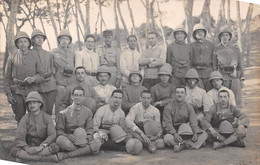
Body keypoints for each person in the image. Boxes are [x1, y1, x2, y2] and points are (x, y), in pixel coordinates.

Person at [4, 31, 44, 124]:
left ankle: (33, 137)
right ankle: (21, 136)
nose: (22, 44)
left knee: (34, 115)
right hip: (17, 90)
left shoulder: (35, 56)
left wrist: (33, 79)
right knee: (19, 116)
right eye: (20, 42)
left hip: (32, 90)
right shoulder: (12, 57)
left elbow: (41, 75)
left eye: (25, 41)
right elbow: (7, 78)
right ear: (17, 44)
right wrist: (8, 94)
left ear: (29, 43)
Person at [10, 91, 60, 162]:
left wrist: (41, 147)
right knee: (13, 150)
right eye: (29, 103)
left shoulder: (47, 117)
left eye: (34, 102)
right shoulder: (25, 118)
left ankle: (26, 157)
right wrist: (27, 148)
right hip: (29, 145)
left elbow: (52, 135)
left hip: (44, 145)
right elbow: (19, 137)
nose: (32, 105)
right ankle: (48, 158)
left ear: (40, 103)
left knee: (55, 147)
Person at [56, 86, 102, 161]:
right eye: (76, 95)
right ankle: (87, 150)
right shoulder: (63, 113)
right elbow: (59, 131)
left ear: (84, 97)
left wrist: (89, 135)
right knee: (59, 140)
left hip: (83, 139)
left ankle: (67, 155)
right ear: (72, 97)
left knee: (98, 142)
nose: (78, 97)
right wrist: (67, 135)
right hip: (70, 140)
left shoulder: (88, 112)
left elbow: (89, 128)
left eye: (80, 95)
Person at [163, 87, 208, 152]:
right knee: (167, 138)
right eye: (177, 92)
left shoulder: (189, 107)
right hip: (175, 131)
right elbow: (168, 124)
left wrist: (195, 133)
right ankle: (193, 144)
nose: (179, 94)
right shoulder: (168, 107)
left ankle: (182, 146)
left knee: (204, 134)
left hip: (188, 132)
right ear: (174, 94)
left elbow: (193, 122)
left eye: (182, 92)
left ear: (185, 95)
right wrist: (174, 134)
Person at [215, 26, 244, 109]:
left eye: (227, 35)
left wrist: (242, 78)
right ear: (220, 37)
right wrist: (217, 79)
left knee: (237, 99)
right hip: (223, 77)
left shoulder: (235, 49)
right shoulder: (216, 49)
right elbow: (214, 66)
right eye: (222, 35)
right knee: (224, 98)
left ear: (230, 37)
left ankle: (237, 118)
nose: (225, 37)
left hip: (235, 77)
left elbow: (240, 65)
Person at [31, 29, 57, 116]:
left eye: (42, 38)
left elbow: (52, 69)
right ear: (33, 40)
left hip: (50, 86)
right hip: (36, 86)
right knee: (39, 110)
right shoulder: (29, 53)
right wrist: (36, 78)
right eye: (37, 37)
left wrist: (45, 75)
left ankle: (47, 129)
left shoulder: (49, 54)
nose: (40, 39)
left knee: (49, 110)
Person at [52, 29, 75, 115]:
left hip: (71, 83)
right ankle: (59, 126)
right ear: (59, 40)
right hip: (60, 83)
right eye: (62, 39)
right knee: (60, 105)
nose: (64, 41)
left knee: (71, 106)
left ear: (69, 41)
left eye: (67, 39)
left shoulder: (72, 53)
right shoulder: (53, 52)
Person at [191, 24, 216, 91]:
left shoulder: (210, 45)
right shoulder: (191, 46)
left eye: (201, 31)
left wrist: (214, 73)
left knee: (209, 92)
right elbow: (190, 60)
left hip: (208, 72)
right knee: (199, 92)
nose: (199, 33)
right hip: (197, 73)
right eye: (197, 32)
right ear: (194, 34)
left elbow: (214, 60)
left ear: (204, 33)